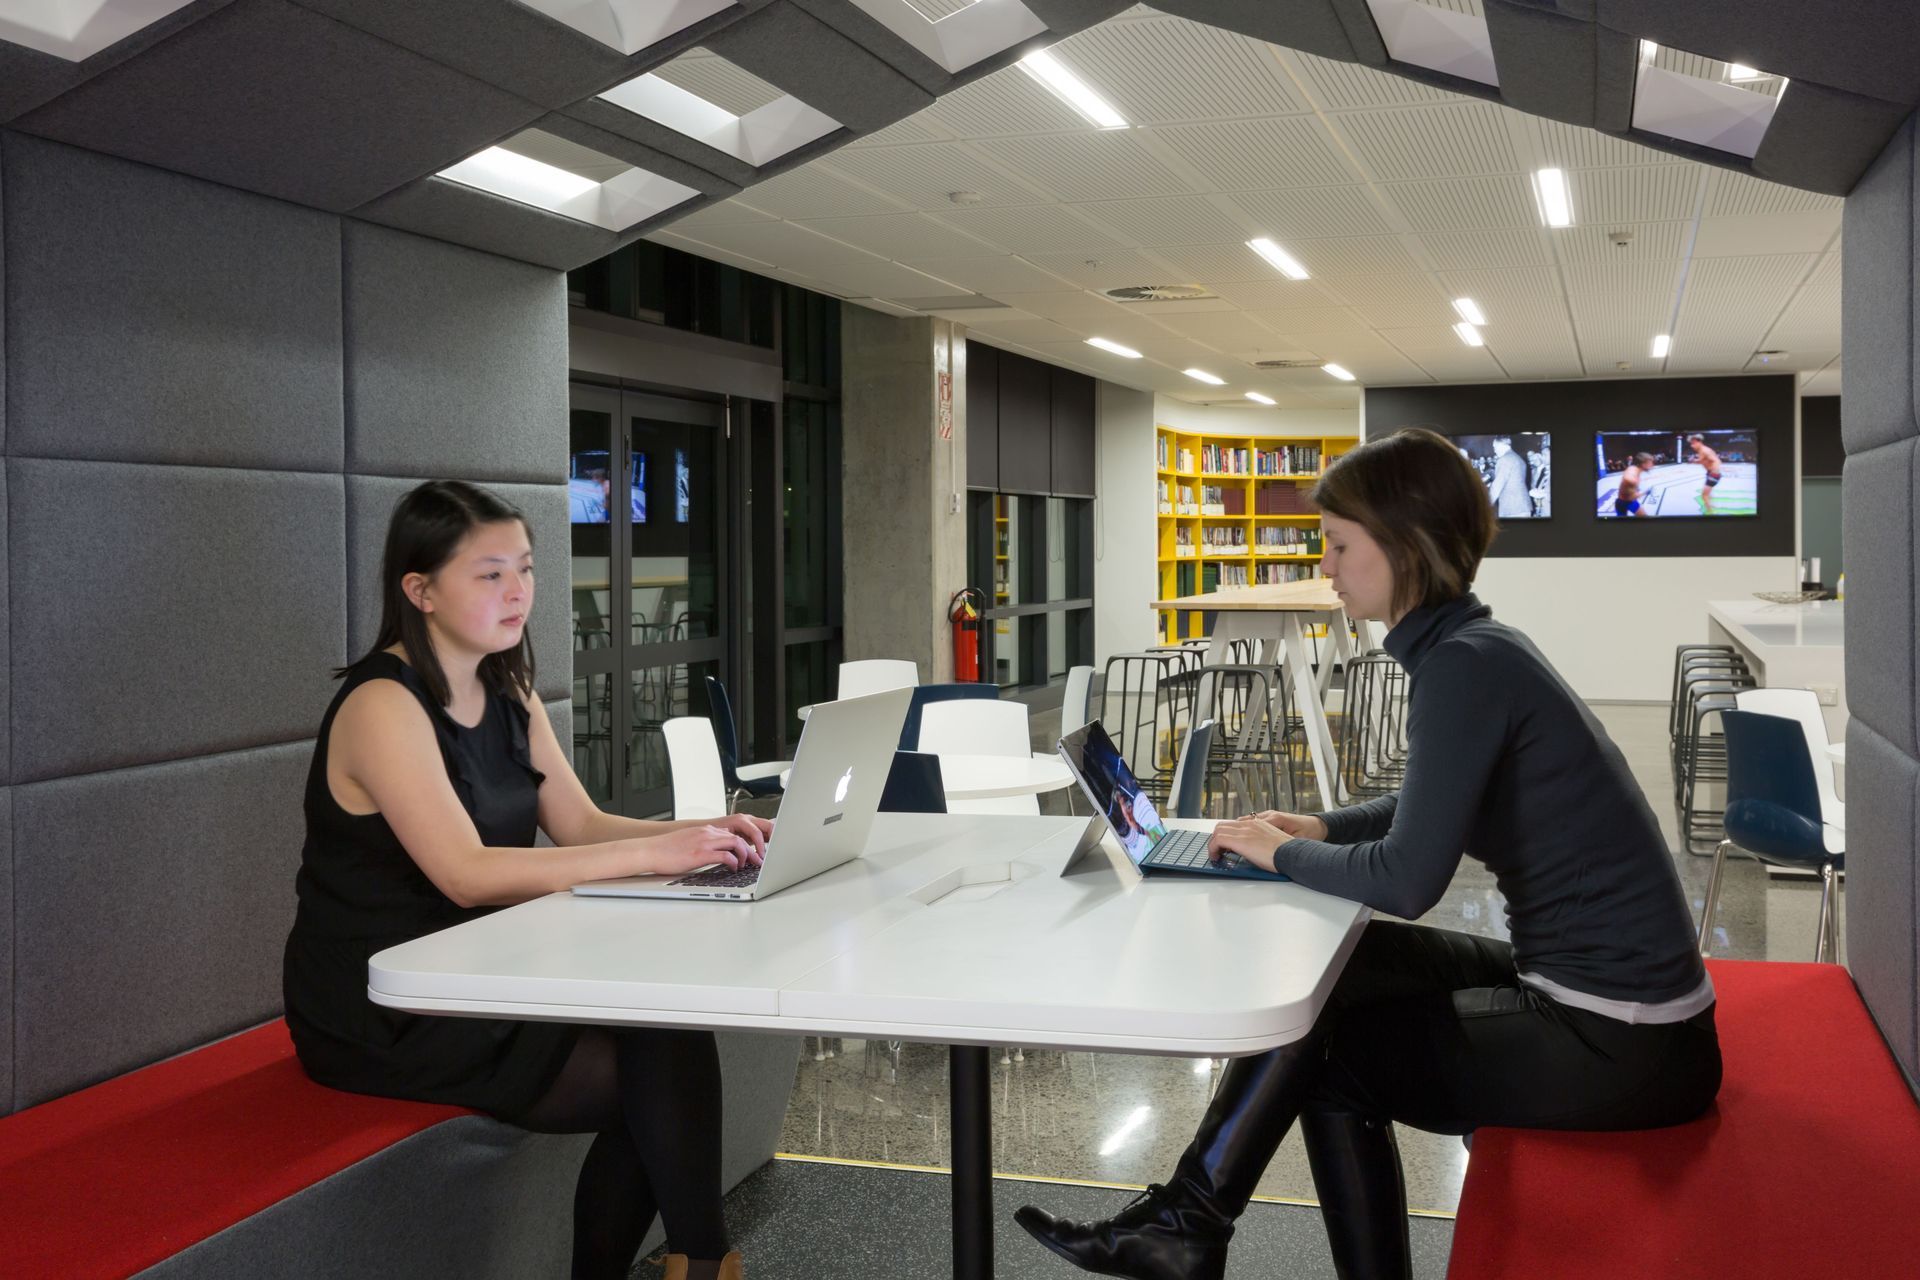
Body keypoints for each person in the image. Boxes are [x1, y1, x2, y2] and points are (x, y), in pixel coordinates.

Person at [1014, 429, 1719, 1280]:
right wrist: (1319, 829)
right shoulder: (1480, 649)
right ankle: (1186, 1221)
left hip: (1623, 1042)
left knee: (1335, 1064)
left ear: (1405, 546)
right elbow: (1432, 802)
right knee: (1337, 970)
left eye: (1340, 545)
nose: (1328, 566)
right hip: (1629, 1013)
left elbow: (1408, 879)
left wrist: (1279, 855)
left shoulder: (1461, 668)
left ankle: (1188, 1224)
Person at [283, 480, 769, 1280]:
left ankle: (702, 1262)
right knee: (651, 1090)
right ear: (420, 590)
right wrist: (652, 856)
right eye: (490, 573)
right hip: (386, 1002)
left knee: (666, 1032)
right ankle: (705, 1264)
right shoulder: (381, 705)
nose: (519, 592)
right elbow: (466, 874)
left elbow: (580, 824)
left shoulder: (508, 690)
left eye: (527, 569)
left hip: (484, 973)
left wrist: (710, 833)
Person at [1486, 436, 1530, 518]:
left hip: (1512, 509)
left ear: (1501, 445)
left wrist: (1485, 505)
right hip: (1523, 507)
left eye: (1495, 447)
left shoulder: (1504, 460)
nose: (1494, 451)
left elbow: (1497, 486)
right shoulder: (1518, 458)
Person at [1687, 434, 1724, 514]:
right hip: (1710, 473)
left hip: (1713, 474)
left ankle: (1710, 512)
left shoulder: (1705, 450)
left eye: (1693, 443)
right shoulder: (1701, 451)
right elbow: (1702, 461)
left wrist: (1714, 473)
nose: (1691, 446)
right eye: (1691, 444)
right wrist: (1693, 461)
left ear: (1699, 442)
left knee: (1704, 495)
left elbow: (1717, 461)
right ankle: (1711, 506)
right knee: (1708, 493)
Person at [1613, 451, 1656, 517]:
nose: (1652, 465)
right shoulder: (1632, 469)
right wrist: (1633, 482)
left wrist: (1645, 492)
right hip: (1622, 502)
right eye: (1650, 463)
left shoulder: (1638, 472)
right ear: (1643, 464)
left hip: (1631, 501)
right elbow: (1627, 478)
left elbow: (1632, 495)